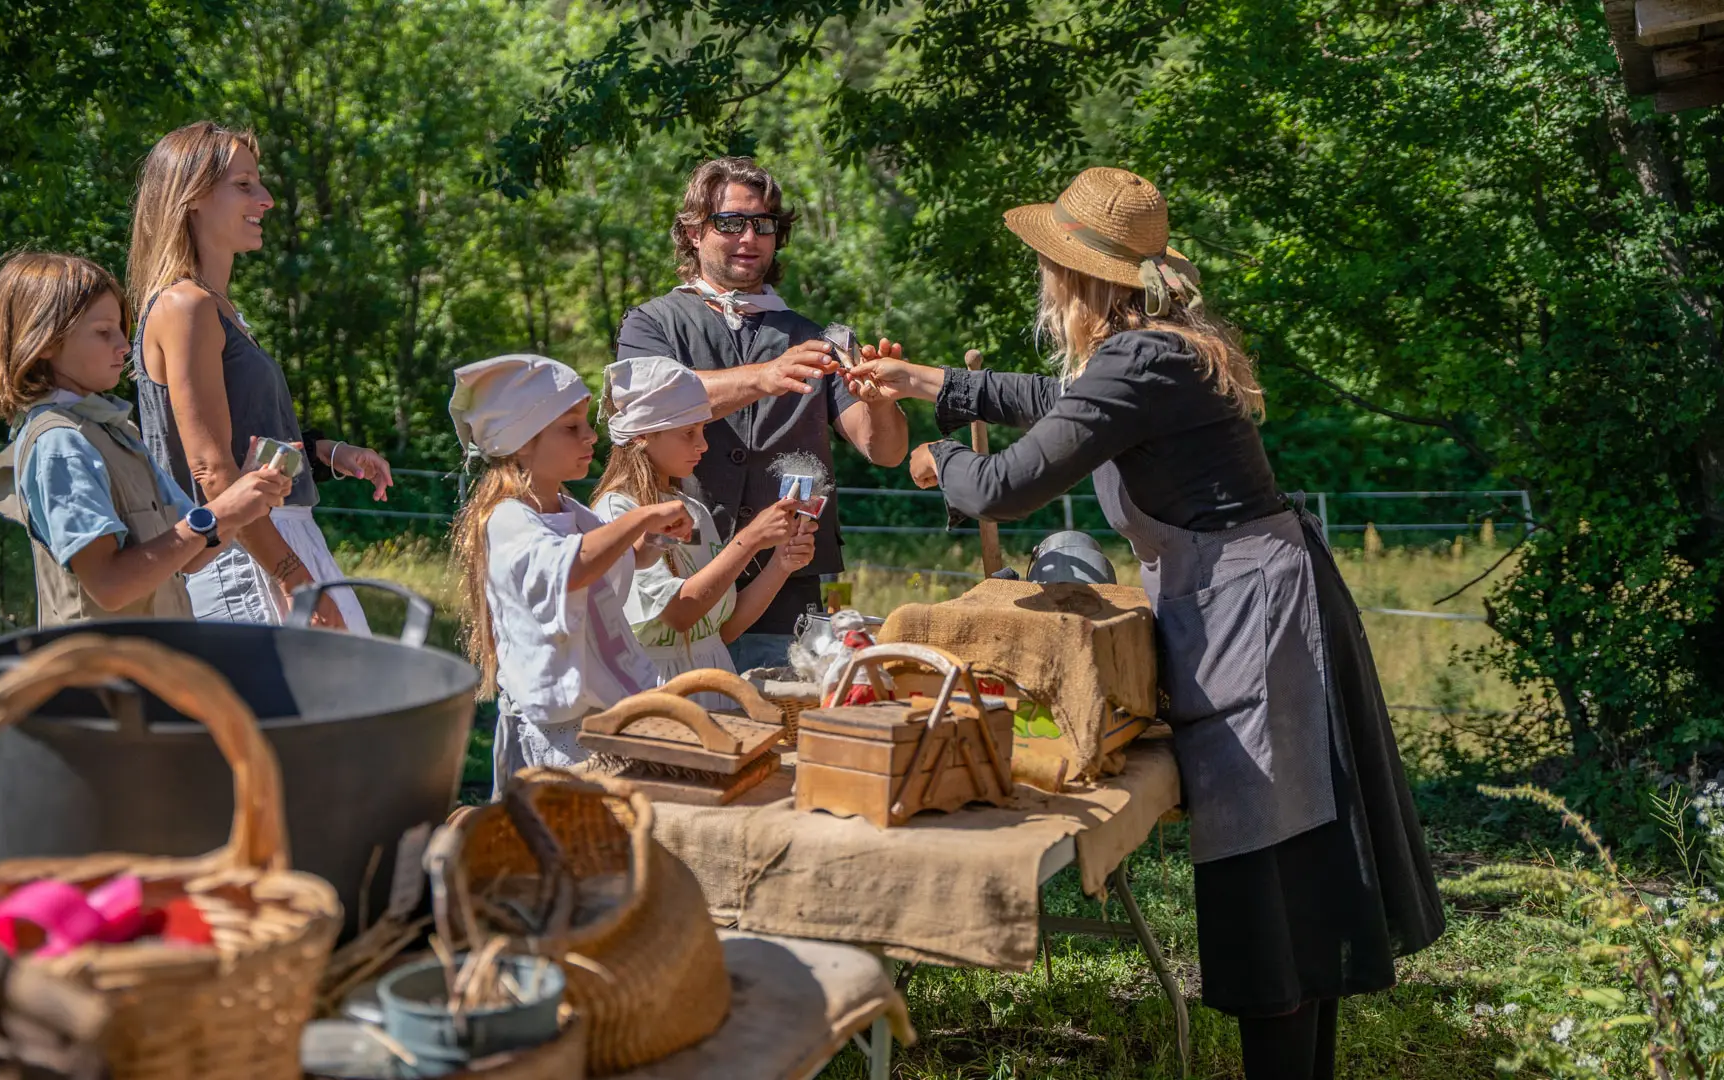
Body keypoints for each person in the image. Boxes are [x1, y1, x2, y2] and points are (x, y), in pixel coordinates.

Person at [850, 167, 1445, 1080]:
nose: (1044, 284)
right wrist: (931, 381)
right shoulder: (1160, 349)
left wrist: (934, 460)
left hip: (1258, 625)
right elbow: (1065, 409)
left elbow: (1010, 482)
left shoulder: (1137, 361)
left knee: (1272, 870)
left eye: (1050, 268)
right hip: (1259, 604)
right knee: (1289, 877)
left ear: (1077, 279)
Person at [615, 157, 909, 672]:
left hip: (789, 592)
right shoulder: (649, 324)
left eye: (763, 224)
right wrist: (762, 377)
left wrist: (881, 403)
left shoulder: (820, 336)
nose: (749, 237)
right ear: (692, 232)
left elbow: (885, 452)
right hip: (682, 581)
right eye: (730, 223)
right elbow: (646, 402)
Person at [127, 120, 394, 633]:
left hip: (278, 542)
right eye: (244, 185)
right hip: (245, 558)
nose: (267, 199)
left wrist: (324, 451)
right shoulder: (185, 305)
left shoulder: (217, 309)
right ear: (192, 197)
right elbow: (211, 472)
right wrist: (294, 578)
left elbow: (245, 441)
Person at [0, 252, 291, 626]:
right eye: (104, 332)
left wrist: (246, 497)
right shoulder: (59, 444)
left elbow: (191, 554)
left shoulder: (115, 432)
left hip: (153, 670)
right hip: (105, 678)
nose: (124, 345)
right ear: (44, 342)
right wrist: (220, 512)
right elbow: (110, 585)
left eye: (121, 329)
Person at [446, 354, 691, 793]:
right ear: (522, 442)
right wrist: (639, 518)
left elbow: (604, 567)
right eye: (570, 428)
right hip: (551, 739)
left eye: (585, 423)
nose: (589, 436)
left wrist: (650, 541)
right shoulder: (508, 519)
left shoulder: (568, 511)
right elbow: (570, 570)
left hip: (594, 721)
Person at [591, 356, 819, 702]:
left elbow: (721, 630)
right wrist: (751, 538)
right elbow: (680, 614)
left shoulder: (693, 510)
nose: (703, 445)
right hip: (660, 693)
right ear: (642, 436)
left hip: (715, 685)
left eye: (702, 431)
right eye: (688, 433)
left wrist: (781, 564)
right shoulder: (617, 511)